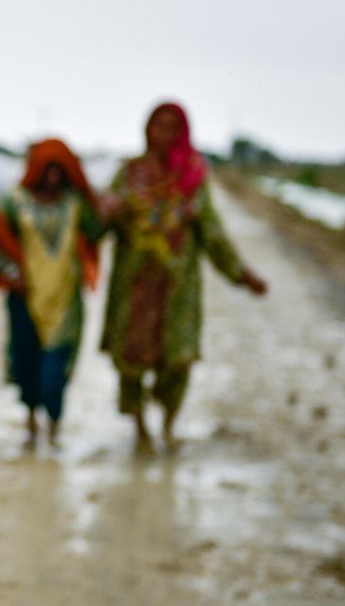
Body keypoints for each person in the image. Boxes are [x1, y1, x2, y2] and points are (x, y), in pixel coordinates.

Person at [100, 102, 267, 451]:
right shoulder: (129, 173)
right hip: (134, 288)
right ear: (146, 130)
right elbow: (100, 222)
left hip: (177, 290)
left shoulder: (192, 178)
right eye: (157, 125)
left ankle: (168, 423)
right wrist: (106, 212)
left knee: (177, 361)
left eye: (171, 127)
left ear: (183, 132)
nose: (163, 133)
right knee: (130, 361)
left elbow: (213, 234)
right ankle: (141, 427)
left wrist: (241, 274)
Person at [0, 138, 103, 447]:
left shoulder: (75, 204)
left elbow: (96, 230)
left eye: (60, 170)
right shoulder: (14, 202)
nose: (54, 177)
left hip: (65, 300)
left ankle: (54, 428)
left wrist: (108, 208)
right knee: (27, 364)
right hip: (25, 299)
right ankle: (31, 424)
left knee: (55, 372)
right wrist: (10, 272)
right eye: (48, 169)